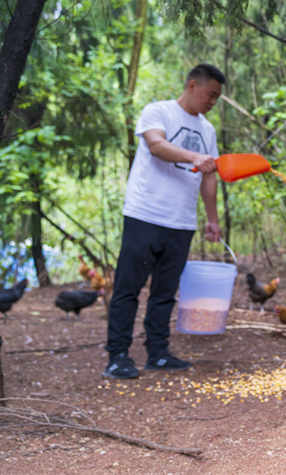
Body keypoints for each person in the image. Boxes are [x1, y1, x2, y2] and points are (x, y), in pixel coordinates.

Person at [104, 64, 226, 379]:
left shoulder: (208, 130)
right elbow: (156, 146)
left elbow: (209, 178)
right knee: (128, 287)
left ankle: (157, 353)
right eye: (210, 94)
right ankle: (118, 355)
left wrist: (212, 220)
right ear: (191, 85)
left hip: (182, 221)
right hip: (145, 214)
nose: (212, 102)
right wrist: (193, 157)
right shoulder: (157, 111)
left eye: (217, 98)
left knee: (165, 292)